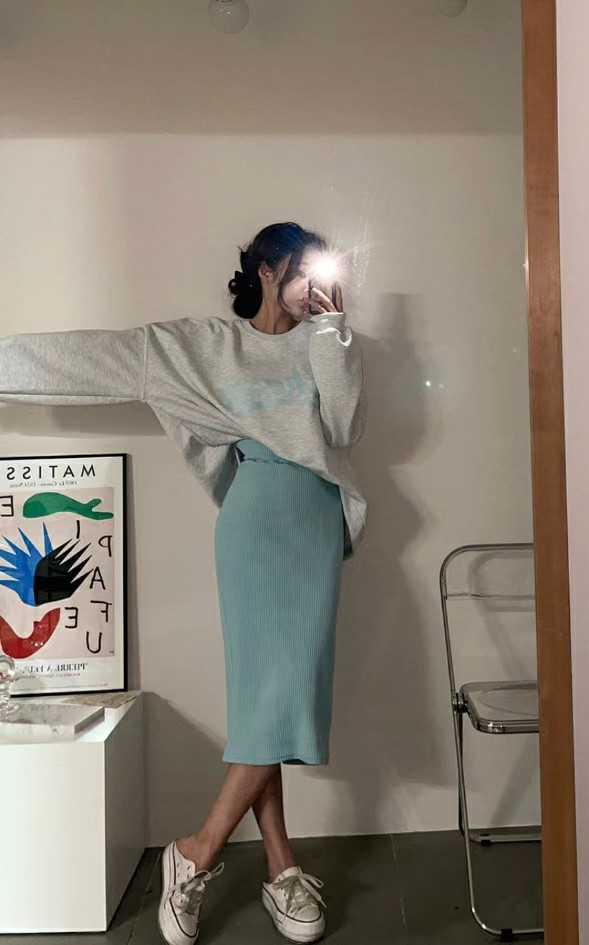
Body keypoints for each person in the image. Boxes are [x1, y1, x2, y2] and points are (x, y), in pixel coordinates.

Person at [0, 221, 367, 944]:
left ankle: (262, 861)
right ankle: (208, 853)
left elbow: (345, 427)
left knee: (274, 697)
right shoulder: (203, 346)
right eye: (301, 274)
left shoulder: (325, 339)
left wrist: (333, 331)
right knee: (268, 697)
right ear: (266, 270)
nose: (312, 289)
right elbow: (93, 358)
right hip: (254, 519)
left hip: (315, 524)